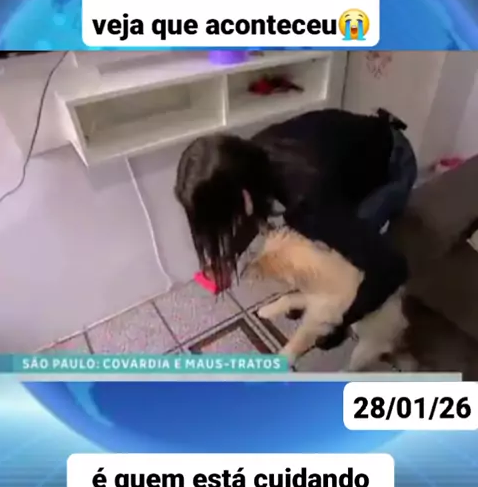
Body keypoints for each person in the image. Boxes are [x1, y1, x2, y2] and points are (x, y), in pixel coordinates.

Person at [175, 108, 417, 349]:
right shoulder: (245, 159)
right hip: (352, 151)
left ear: (244, 199)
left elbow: (392, 269)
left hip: (393, 162)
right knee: (326, 234)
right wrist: (228, 259)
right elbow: (253, 208)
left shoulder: (308, 202)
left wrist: (338, 321)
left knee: (352, 262)